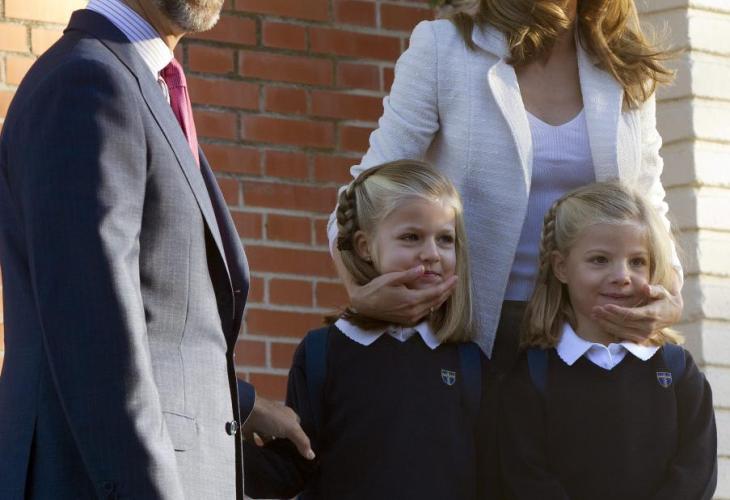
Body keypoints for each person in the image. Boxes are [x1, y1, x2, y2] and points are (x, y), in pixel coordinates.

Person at [0, 0, 311, 498]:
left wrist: (240, 404)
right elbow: (94, 336)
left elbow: (157, 319)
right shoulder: (87, 82)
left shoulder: (144, 82)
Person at [327, 0, 684, 372]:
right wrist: (359, 289)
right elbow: (368, 189)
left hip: (589, 334)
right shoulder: (443, 48)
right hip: (469, 338)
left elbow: (648, 200)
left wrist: (672, 294)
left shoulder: (623, 65)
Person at [243, 160, 501, 499]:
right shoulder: (322, 353)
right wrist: (229, 431)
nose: (432, 253)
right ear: (365, 246)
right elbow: (294, 467)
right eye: (411, 237)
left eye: (445, 239)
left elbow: (495, 480)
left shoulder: (469, 362)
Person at [499, 182, 717, 500]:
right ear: (561, 267)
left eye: (637, 262)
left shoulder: (677, 371)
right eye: (600, 259)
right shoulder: (532, 375)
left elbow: (696, 472)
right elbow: (525, 476)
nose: (622, 275)